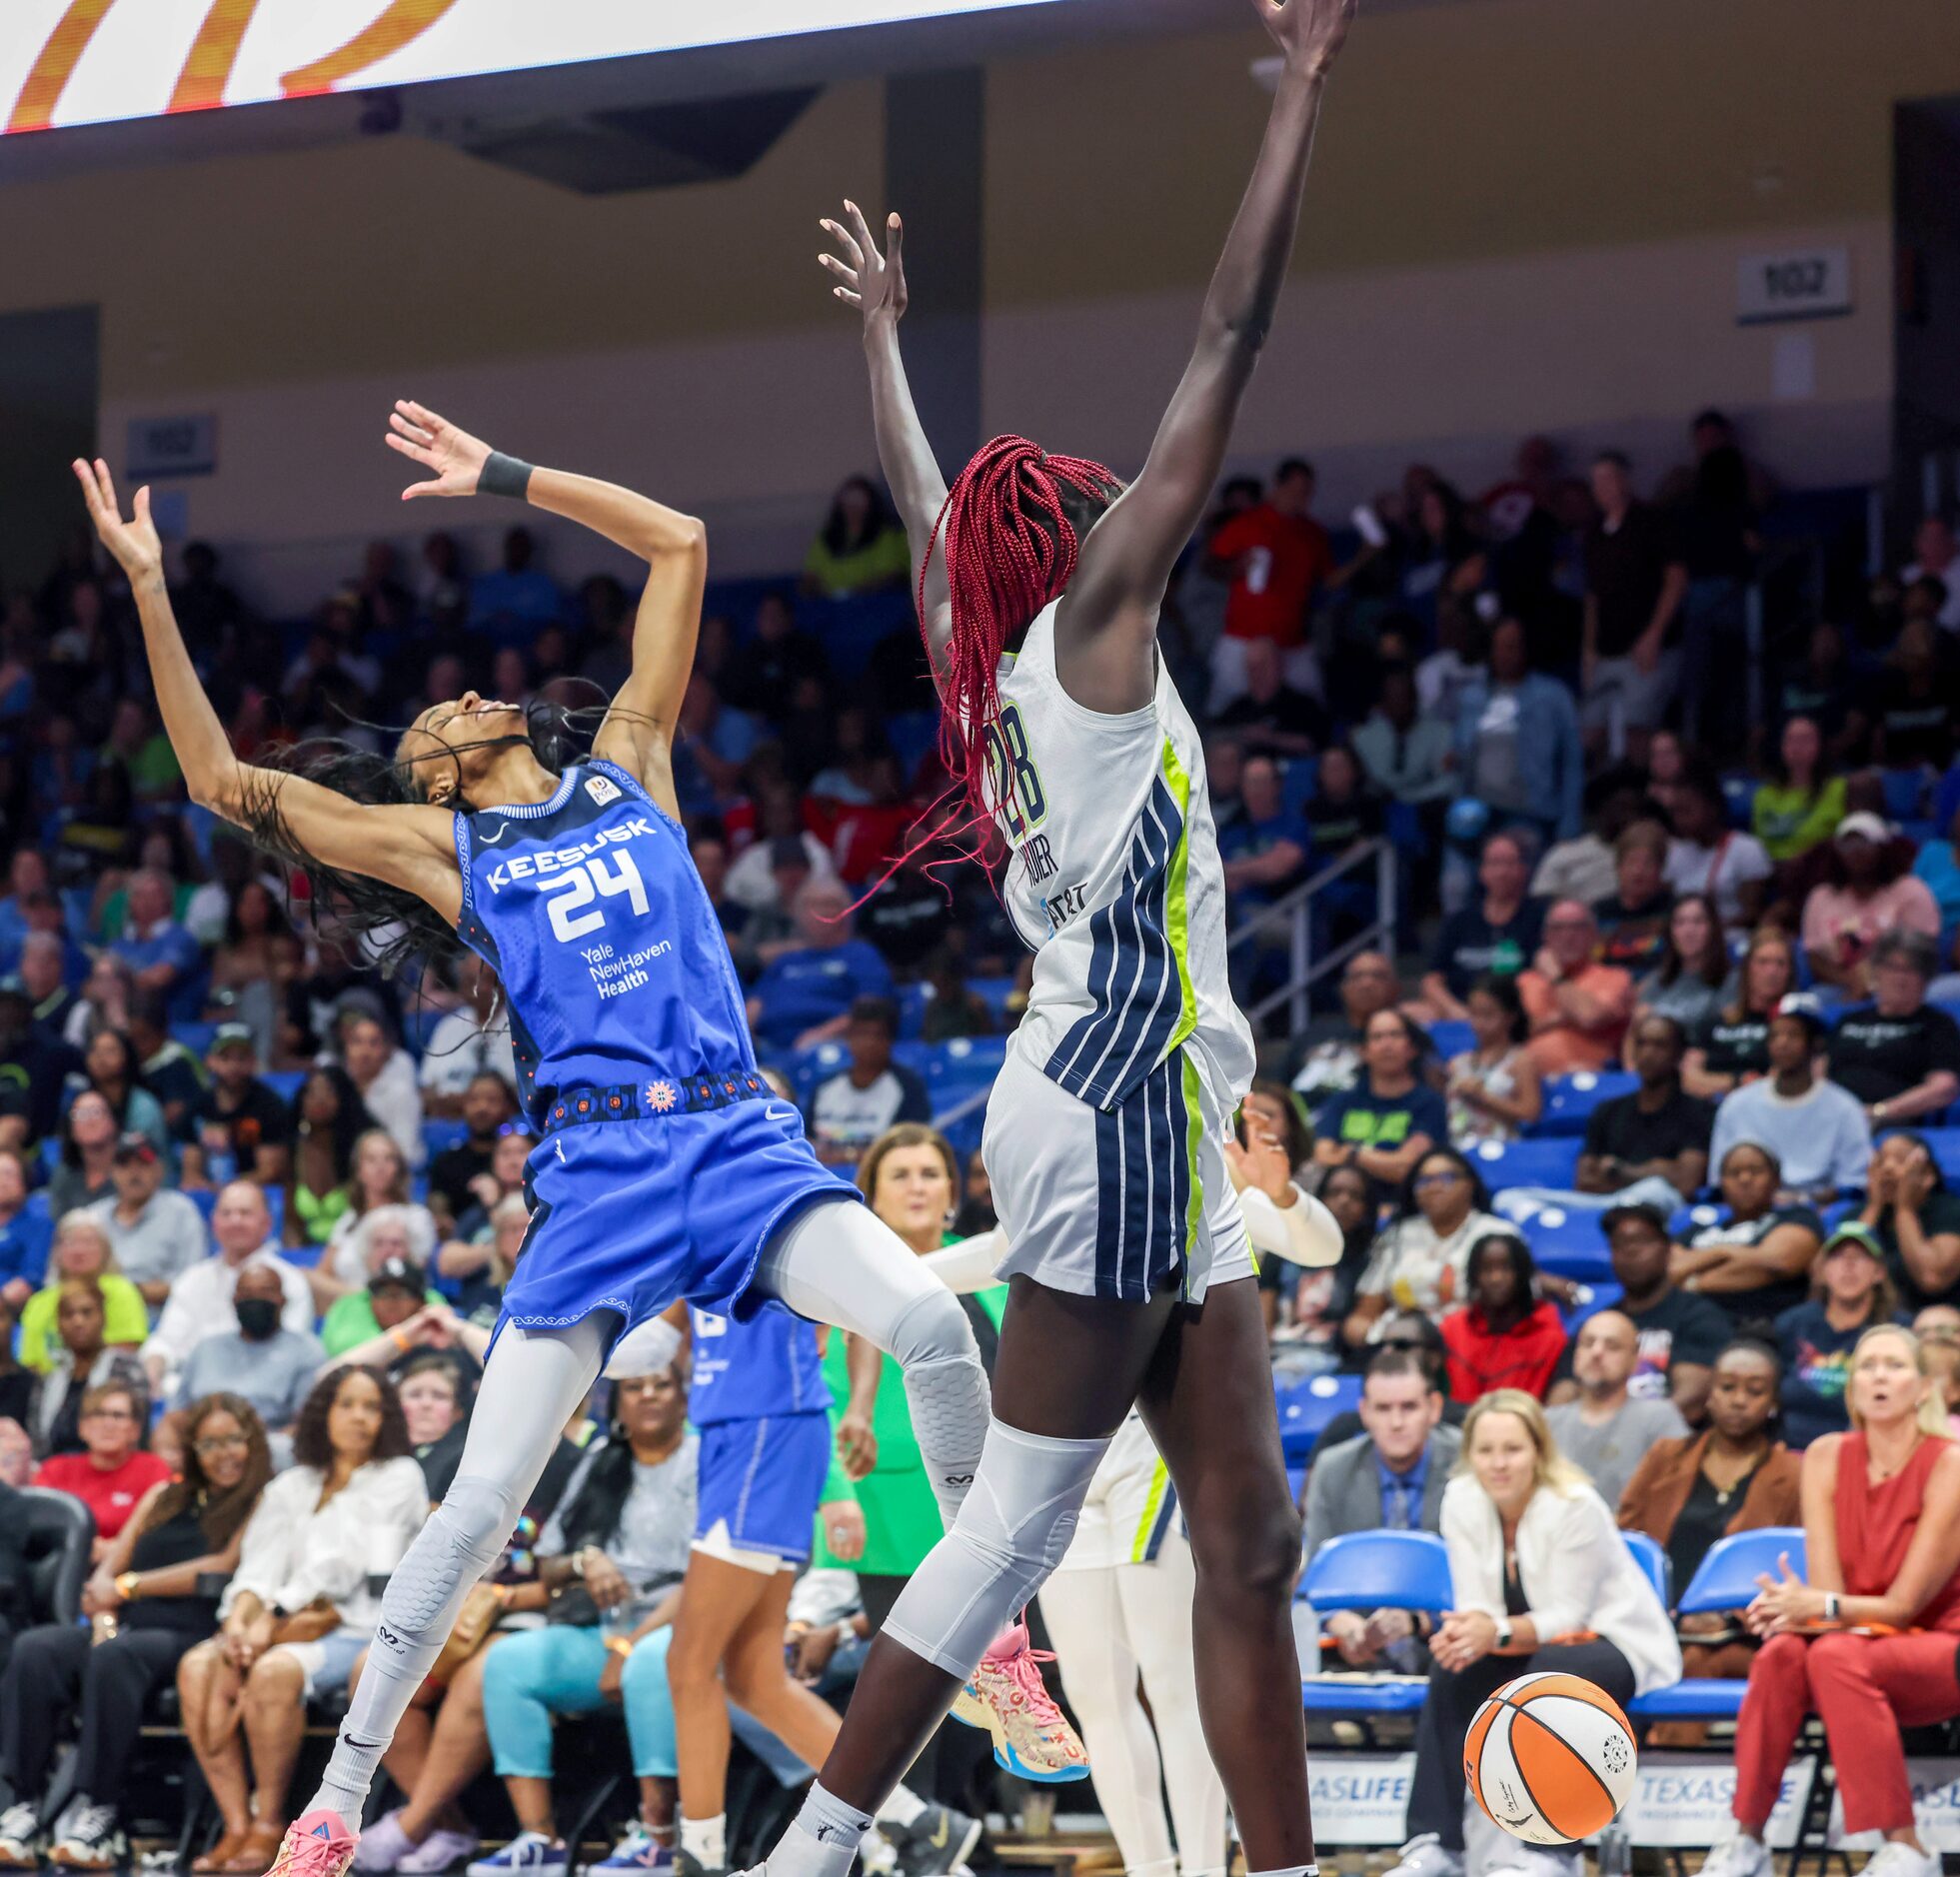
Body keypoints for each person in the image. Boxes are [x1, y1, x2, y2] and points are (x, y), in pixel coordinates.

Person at [76, 414, 1002, 1872]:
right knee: (480, 1501)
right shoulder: (445, 851)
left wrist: (508, 476)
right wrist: (146, 584)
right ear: (435, 774)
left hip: (738, 1136)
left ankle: (988, 1634)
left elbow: (680, 539)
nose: (453, 694)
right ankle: (334, 1805)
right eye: (437, 708)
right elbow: (221, 783)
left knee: (937, 1325)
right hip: (601, 1176)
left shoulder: (630, 762)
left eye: (461, 691)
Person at [790, 3, 1358, 1869]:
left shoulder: (995, 642)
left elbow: (914, 493)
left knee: (1250, 1539)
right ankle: (815, 1837)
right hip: (1108, 1100)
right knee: (1019, 1527)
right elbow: (1230, 338)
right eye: (1101, 494)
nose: (1133, 488)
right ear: (1079, 540)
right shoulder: (1096, 637)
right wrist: (1294, 100)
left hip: (1161, 1115)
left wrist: (882, 342)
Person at [662, 1298, 975, 1877]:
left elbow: (849, 1317)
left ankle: (698, 1858)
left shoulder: (775, 1217)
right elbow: (659, 1338)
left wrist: (846, 1441)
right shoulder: (693, 1231)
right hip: (732, 1435)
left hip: (765, 1434)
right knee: (755, 1680)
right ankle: (914, 1821)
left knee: (688, 1664)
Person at [1384, 1391, 1680, 1877]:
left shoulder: (1575, 1505)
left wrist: (1491, 1632)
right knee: (1453, 1665)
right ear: (1470, 1454)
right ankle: (1436, 1845)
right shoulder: (1461, 1498)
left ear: (1539, 1451)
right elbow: (1476, 1604)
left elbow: (1568, 1619)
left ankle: (1547, 1852)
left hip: (1612, 1642)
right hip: (1526, 1648)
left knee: (1553, 1677)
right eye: (1485, 1450)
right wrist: (1464, 1635)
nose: (1498, 1464)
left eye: (1513, 1449)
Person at [1700, 1326, 1960, 1877]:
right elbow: (1826, 1593)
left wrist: (1821, 1607)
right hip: (1854, 1647)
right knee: (1779, 1655)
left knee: (1833, 1654)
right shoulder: (1823, 1455)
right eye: (1867, 1367)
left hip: (1942, 1648)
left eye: (1894, 1366)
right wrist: (1790, 1608)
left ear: (1923, 1388)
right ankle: (1746, 1841)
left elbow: (1904, 1605)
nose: (1879, 1377)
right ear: (1851, 1389)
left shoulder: (1950, 1464)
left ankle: (1907, 1846)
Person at [0, 1395, 273, 1872]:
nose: (223, 1452)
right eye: (208, 1442)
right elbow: (101, 1581)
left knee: (117, 1657)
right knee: (37, 1648)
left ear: (253, 1442)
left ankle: (100, 1812)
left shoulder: (262, 1500)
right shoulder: (162, 1497)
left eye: (234, 1439)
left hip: (196, 1632)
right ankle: (23, 1805)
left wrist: (127, 1588)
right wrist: (105, 1614)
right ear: (191, 1449)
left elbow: (220, 1566)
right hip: (126, 1628)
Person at [176, 1369, 427, 1875]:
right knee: (198, 1666)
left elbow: (346, 1563)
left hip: (354, 1627)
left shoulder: (399, 1475)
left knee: (274, 1672)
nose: (359, 1417)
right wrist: (242, 1623)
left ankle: (270, 1823)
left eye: (371, 1407)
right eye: (347, 1405)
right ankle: (235, 1826)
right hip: (276, 1622)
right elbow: (257, 1566)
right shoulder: (291, 1483)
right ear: (323, 1413)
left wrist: (272, 1619)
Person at [1616, 1340, 1800, 1686]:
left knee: (1695, 1661)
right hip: (1654, 1622)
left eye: (1755, 1390)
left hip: (1744, 1634)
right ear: (1710, 1394)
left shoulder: (1793, 1475)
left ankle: (1656, 1742)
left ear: (1773, 1402)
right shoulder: (1665, 1456)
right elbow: (1623, 1541)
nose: (1738, 1400)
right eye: (1727, 1387)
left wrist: (1729, 1616)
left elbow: (1797, 1569)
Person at [1556, 1205, 1731, 1421]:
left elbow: (1692, 1400)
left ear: (1668, 1249)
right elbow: (1560, 1399)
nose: (1630, 1251)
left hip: (1669, 1445)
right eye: (1619, 1244)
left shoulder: (1699, 1316)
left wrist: (1631, 1435)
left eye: (1642, 1241)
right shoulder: (1598, 1324)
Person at [143, 1183, 313, 1396]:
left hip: (261, 1390)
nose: (235, 1221)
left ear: (267, 1223)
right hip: (189, 1387)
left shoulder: (288, 1281)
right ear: (214, 1223)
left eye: (245, 1213)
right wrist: (153, 1369)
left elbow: (289, 1351)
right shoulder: (192, 1279)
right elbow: (166, 1341)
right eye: (226, 1213)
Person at [1707, 998, 1870, 1205]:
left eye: (1793, 1035)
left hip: (1818, 1212)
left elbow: (1853, 1186)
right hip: (1747, 1208)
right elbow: (1719, 1181)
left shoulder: (1845, 1108)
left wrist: (1802, 1200)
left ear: (1815, 1044)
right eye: (1775, 1035)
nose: (1782, 1043)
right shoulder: (1736, 1104)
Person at [1203, 458, 1335, 711]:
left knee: (1310, 706)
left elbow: (1329, 580)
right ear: (1278, 486)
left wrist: (1367, 553)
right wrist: (1237, 567)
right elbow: (1211, 564)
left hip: (1292, 641)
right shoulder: (1248, 523)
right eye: (1295, 490)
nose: (1300, 497)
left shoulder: (1313, 533)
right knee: (1225, 708)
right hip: (1242, 639)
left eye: (1306, 491)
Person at [1580, 451, 1688, 759]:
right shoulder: (1593, 532)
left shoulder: (1652, 521)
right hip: (1606, 650)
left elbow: (1676, 578)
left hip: (1647, 647)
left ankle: (1640, 796)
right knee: (1589, 733)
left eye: (1608, 478)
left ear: (1625, 480)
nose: (1602, 487)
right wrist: (1588, 649)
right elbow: (1592, 597)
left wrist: (1654, 633)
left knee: (1636, 730)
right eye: (1596, 480)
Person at [1448, 618, 1584, 860]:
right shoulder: (1471, 696)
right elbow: (1458, 751)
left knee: (1513, 873)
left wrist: (1570, 822)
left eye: (1512, 646)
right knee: (1455, 883)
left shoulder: (1553, 695)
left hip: (1528, 812)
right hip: (1475, 810)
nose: (1504, 654)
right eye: (1498, 646)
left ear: (1525, 649)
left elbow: (1572, 762)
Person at [1342, 1149, 1503, 1345]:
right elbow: (1364, 1314)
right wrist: (1375, 1337)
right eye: (1424, 1181)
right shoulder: (1398, 1235)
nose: (1433, 1187)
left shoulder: (1496, 1234)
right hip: (1402, 1345)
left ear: (1470, 1185)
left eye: (1446, 1177)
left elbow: (1509, 1313)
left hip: (1473, 1346)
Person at [1564, 1014, 1713, 1215]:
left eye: (1659, 1045)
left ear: (1679, 1053)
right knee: (1514, 1198)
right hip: (1604, 1206)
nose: (1648, 1053)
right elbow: (1584, 1181)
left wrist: (1619, 1170)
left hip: (1658, 1208)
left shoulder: (1698, 1112)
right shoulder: (1607, 1110)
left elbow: (1686, 1184)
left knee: (1655, 1190)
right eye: (1642, 1044)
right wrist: (1658, 1170)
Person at [1670, 1141, 1825, 1329]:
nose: (1744, 1179)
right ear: (1722, 1184)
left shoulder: (1797, 1217)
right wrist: (1733, 1254)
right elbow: (1669, 1272)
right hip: (1690, 1326)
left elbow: (1780, 1261)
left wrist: (1698, 1274)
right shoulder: (1697, 1230)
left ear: (1776, 1180)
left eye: (1755, 1171)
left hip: (1760, 1327)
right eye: (1733, 1173)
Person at [1545, 1312, 1690, 1506]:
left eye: (1612, 1346)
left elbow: (1676, 1496)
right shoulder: (1546, 1422)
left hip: (1629, 1534)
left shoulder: (1659, 1418)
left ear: (1634, 1360)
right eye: (1588, 1343)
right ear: (1576, 1355)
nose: (1596, 1352)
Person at [1775, 1223, 1898, 1447]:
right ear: (1822, 1270)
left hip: (1864, 1452)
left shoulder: (1896, 1332)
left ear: (1879, 1272)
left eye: (1860, 1257)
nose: (1848, 1266)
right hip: (1789, 1451)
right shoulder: (1792, 1323)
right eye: (1838, 1256)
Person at [174, 1262, 326, 1441]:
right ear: (234, 1301)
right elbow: (175, 1416)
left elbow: (307, 1426)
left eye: (266, 1291)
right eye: (246, 1292)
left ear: (283, 1300)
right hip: (202, 1446)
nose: (255, 1298)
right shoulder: (206, 1348)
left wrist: (254, 1449)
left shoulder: (306, 1350)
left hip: (270, 1446)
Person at [1827, 930, 1960, 1127]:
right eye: (1892, 967)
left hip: (1895, 1122)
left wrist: (1880, 1111)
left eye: (1911, 969)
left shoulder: (1938, 1025)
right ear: (1877, 972)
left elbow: (1944, 1088)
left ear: (1925, 979)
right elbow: (1819, 1074)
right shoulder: (1849, 1020)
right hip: (1834, 1118)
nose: (1900, 978)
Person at [1310, 1011, 1447, 1199]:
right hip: (1345, 1202)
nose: (1386, 1044)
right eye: (1377, 1037)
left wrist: (1353, 1153)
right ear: (1363, 1051)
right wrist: (1385, 1161)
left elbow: (1409, 1168)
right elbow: (1323, 1156)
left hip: (1401, 1205)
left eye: (1395, 1035)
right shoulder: (1343, 1101)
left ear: (1412, 1048)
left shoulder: (1430, 1103)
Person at [1414, 833, 1542, 1025]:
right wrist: (1456, 1011)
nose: (1502, 872)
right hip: (1460, 1012)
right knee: (1407, 1014)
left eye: (1509, 863)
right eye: (1494, 863)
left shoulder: (1538, 918)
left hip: (1513, 1015)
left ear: (1523, 869)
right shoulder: (1459, 921)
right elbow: (1432, 980)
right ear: (1482, 871)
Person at [30, 1286, 151, 1468]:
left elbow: (138, 1431)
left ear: (103, 1318)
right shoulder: (50, 1377)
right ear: (58, 1325)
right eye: (68, 1315)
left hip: (113, 1468)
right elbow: (37, 1439)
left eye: (87, 1313)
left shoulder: (127, 1368)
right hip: (55, 1472)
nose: (78, 1321)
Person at [1439, 1231, 1566, 1403]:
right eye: (1486, 1269)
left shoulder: (1550, 1338)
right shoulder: (1451, 1329)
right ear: (1474, 1276)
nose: (1496, 1278)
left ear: (1522, 1274)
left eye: (1506, 1269)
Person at [804, 998, 931, 1168]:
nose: (869, 1043)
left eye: (877, 1035)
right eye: (861, 1034)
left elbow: (908, 1149)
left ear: (890, 1041)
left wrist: (845, 1156)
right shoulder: (825, 1087)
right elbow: (807, 1143)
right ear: (849, 1038)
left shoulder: (909, 1088)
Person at [88, 1132, 206, 1312]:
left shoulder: (181, 1212)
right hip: (101, 1317)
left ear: (159, 1169)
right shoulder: (93, 1218)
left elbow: (193, 1280)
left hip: (163, 1317)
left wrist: (131, 1292)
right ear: (112, 1172)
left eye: (143, 1164)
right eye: (124, 1165)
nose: (134, 1173)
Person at [17, 1215, 147, 1374]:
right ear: (56, 1251)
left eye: (88, 1242)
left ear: (105, 1250)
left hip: (107, 1381)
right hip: (48, 1387)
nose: (78, 1251)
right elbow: (31, 1362)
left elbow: (126, 1349)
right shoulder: (39, 1301)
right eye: (70, 1242)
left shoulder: (121, 1290)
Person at [1517, 901, 1634, 1075]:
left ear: (1594, 935)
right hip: (1528, 1083)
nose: (1568, 936)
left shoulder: (1615, 978)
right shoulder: (1525, 981)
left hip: (1590, 1081)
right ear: (1545, 936)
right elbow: (1507, 1031)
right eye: (1558, 928)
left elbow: (1589, 1017)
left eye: (1578, 927)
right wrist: (1563, 1018)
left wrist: (1556, 977)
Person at [1682, 926, 1796, 1099]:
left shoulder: (1796, 1028)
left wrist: (1714, 1082)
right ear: (1747, 968)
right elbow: (1689, 1079)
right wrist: (1738, 1081)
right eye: (1763, 962)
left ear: (1790, 972)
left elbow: (1782, 1080)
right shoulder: (1713, 1023)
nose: (1772, 971)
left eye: (1780, 963)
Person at [1857, 1131, 1960, 1316]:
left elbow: (1931, 1277)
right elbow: (1828, 1279)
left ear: (1928, 1175)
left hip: (1935, 1322)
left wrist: (1904, 1209)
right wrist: (1873, 1206)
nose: (1887, 1168)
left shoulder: (1951, 1211)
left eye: (1901, 1159)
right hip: (1873, 1323)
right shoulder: (1860, 1215)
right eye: (1880, 1161)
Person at [1442, 976, 1541, 1147]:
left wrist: (1485, 1098)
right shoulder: (1457, 1063)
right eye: (1474, 1014)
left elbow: (1531, 1113)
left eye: (1488, 1015)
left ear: (1510, 1017)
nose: (1479, 1023)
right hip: (1459, 1148)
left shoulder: (1521, 1061)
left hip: (1501, 1148)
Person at [283, 1067, 375, 1250]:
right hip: (307, 1253)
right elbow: (292, 1223)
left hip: (355, 1250)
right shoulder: (294, 1150)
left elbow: (371, 1216)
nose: (319, 1099)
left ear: (344, 1098)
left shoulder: (362, 1150)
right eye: (311, 1092)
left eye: (328, 1091)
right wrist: (296, 1257)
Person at [1665, 771, 1771, 930]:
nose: (1679, 820)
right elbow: (1668, 907)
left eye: (1687, 811)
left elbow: (1752, 914)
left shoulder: (1747, 849)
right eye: (1676, 812)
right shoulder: (1676, 853)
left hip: (1732, 938)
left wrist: (1709, 930)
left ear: (1712, 808)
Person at [192, 1024, 292, 1190]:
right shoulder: (199, 1104)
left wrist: (228, 1189)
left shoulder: (269, 1105)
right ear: (210, 1061)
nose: (233, 1066)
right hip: (208, 1192)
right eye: (225, 1058)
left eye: (241, 1058)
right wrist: (205, 1186)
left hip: (255, 1191)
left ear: (253, 1061)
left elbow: (269, 1171)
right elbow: (190, 1172)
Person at [1629, 893, 1731, 1047]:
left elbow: (1731, 1034)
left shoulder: (1732, 980)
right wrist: (1633, 1071)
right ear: (1670, 931)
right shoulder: (1656, 980)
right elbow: (1633, 1036)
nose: (1688, 931)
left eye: (1698, 921)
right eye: (1680, 922)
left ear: (1713, 928)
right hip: (1656, 1067)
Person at [1752, 715, 1847, 867]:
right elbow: (1758, 847)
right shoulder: (1764, 794)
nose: (1797, 746)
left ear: (1820, 745)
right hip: (1772, 874)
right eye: (1790, 740)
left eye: (1805, 739)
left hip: (1819, 873)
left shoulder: (1838, 789)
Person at [803, 476, 911, 600]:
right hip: (829, 608)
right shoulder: (825, 537)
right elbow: (809, 577)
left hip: (870, 606)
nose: (853, 506)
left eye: (859, 500)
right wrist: (821, 594)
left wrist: (854, 593)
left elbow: (890, 575)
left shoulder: (884, 537)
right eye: (849, 500)